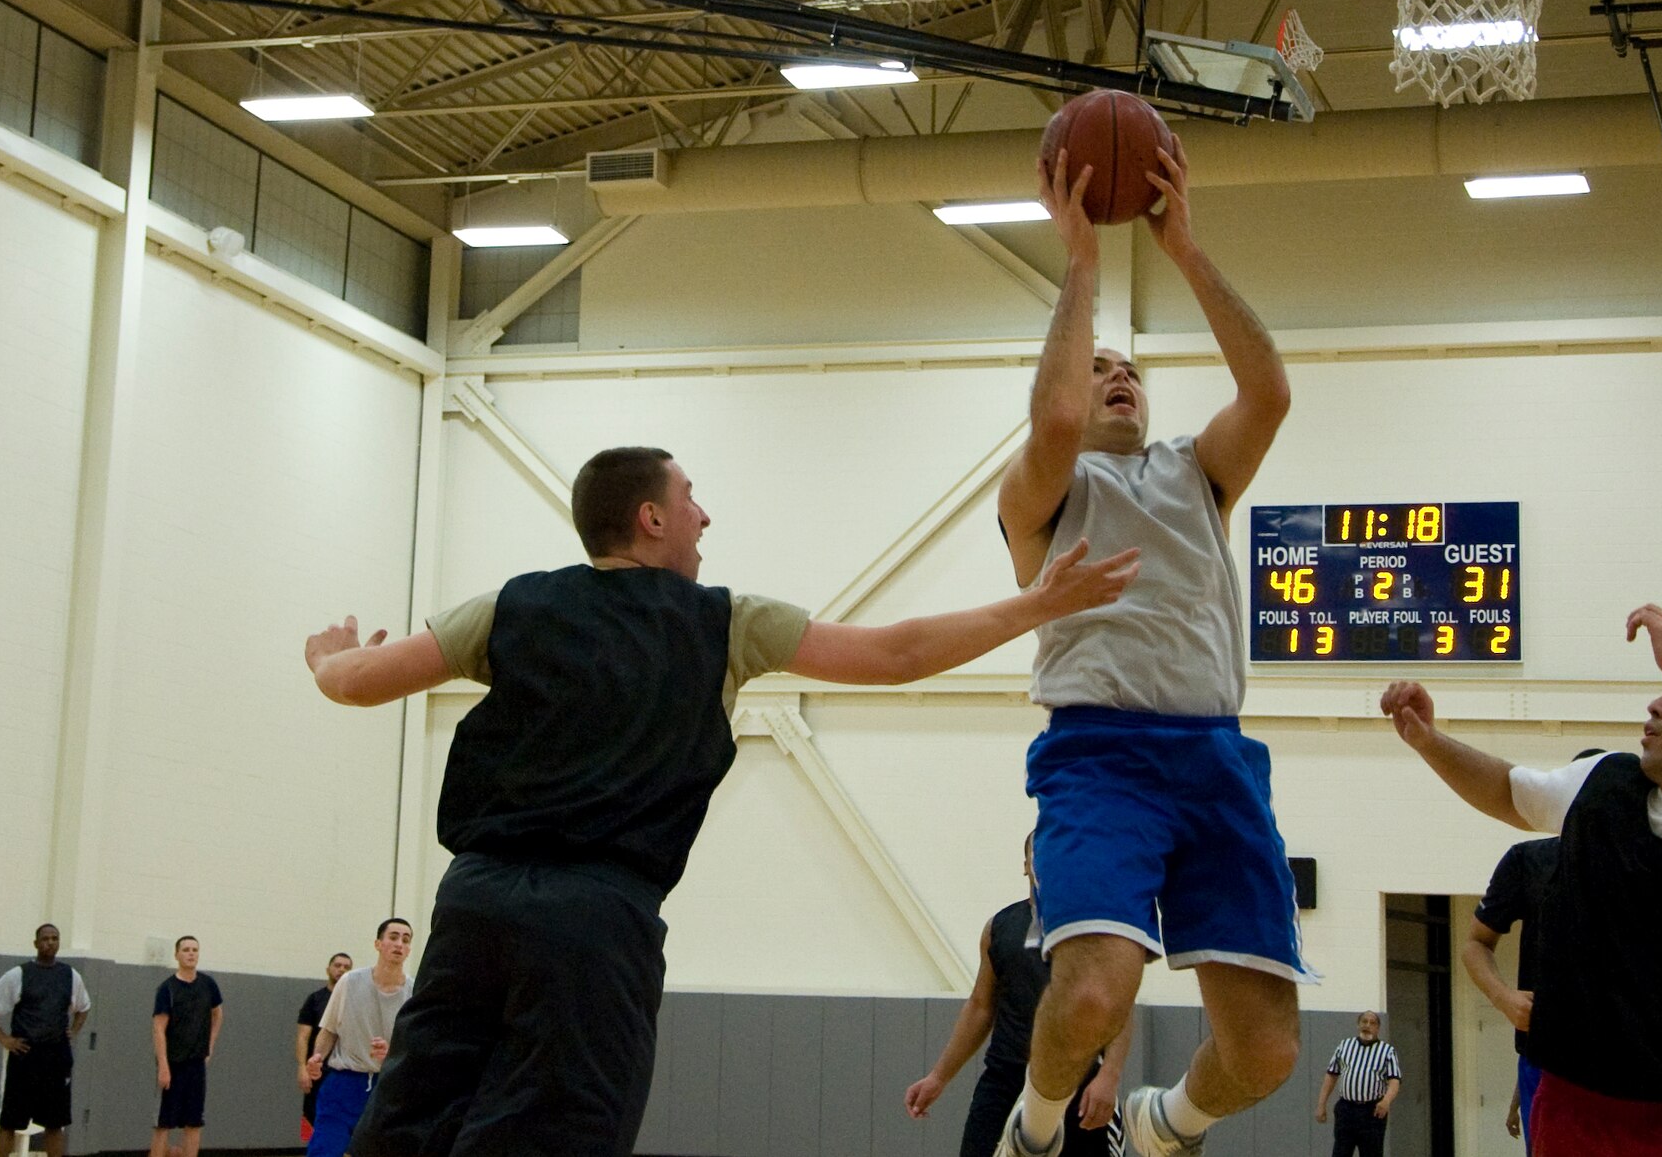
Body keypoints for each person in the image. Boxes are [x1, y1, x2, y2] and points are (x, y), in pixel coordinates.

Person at [302, 444, 1138, 1157]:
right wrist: (1038, 603)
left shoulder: (511, 604)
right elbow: (897, 652)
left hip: (474, 904)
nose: (705, 517)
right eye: (690, 499)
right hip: (596, 921)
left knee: (407, 1123)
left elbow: (359, 681)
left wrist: (329, 659)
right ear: (650, 518)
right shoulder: (726, 621)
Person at [993, 142, 1307, 1157]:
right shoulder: (1040, 495)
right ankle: (1034, 1129)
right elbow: (1049, 416)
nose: (1117, 375)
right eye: (1098, 368)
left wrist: (1183, 248)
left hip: (1217, 755)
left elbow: (1266, 390)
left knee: (1264, 1053)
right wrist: (1080, 259)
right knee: (1088, 990)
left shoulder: (1194, 472)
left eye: (1130, 368)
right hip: (1099, 754)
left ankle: (1161, 1125)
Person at [1379, 606, 1662, 1157]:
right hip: (1575, 1112)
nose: (1657, 702)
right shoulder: (1604, 782)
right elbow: (1506, 789)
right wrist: (1428, 741)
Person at [906, 834, 1128, 1157]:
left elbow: (1120, 1009)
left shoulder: (1094, 929)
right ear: (1026, 865)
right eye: (1038, 853)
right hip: (1005, 1081)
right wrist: (938, 1077)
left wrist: (1108, 1076)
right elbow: (980, 1008)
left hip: (1078, 1085)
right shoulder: (999, 928)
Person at [1465, 838, 1555, 1155]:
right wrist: (1502, 998)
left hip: (1631, 1061)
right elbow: (1475, 943)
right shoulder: (1531, 860)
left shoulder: (1655, 854)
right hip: (1543, 1061)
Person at [304, 920, 413, 1157]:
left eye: (405, 940)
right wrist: (317, 1057)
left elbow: (417, 1048)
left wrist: (392, 1054)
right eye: (393, 937)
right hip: (344, 1083)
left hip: (387, 1087)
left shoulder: (414, 992)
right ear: (378, 943)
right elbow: (329, 1030)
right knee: (324, 1150)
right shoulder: (350, 982)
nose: (399, 944)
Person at [0, 924, 91, 1157]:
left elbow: (84, 1008)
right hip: (25, 1056)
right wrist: (5, 1039)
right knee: (10, 1121)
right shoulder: (19, 974)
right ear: (36, 943)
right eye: (45, 938)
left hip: (56, 1058)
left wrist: (73, 1031)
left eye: (55, 938)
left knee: (55, 1123)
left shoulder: (71, 975)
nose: (50, 942)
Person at [149, 936, 223, 1157]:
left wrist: (209, 1046)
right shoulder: (167, 988)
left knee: (194, 1122)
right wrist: (163, 1065)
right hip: (172, 1064)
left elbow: (218, 1013)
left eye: (195, 950)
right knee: (164, 1123)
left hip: (196, 1064)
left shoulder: (208, 984)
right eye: (186, 950)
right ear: (177, 954)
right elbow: (159, 1028)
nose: (191, 953)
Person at [1314, 1011, 1401, 1157]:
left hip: (1372, 1112)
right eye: (1364, 1022)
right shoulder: (1344, 1046)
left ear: (1378, 1028)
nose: (1367, 1026)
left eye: (1372, 1023)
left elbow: (1394, 1081)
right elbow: (1331, 1075)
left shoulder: (1387, 1051)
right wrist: (1321, 1104)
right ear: (1358, 1025)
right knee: (1340, 1152)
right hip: (1346, 1109)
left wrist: (1386, 1101)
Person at [296, 952, 353, 1144]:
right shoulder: (315, 1000)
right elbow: (303, 1037)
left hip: (346, 1071)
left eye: (346, 967)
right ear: (328, 969)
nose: (341, 970)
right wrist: (302, 1067)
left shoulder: (354, 1001)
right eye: (338, 965)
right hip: (318, 1071)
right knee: (314, 1118)